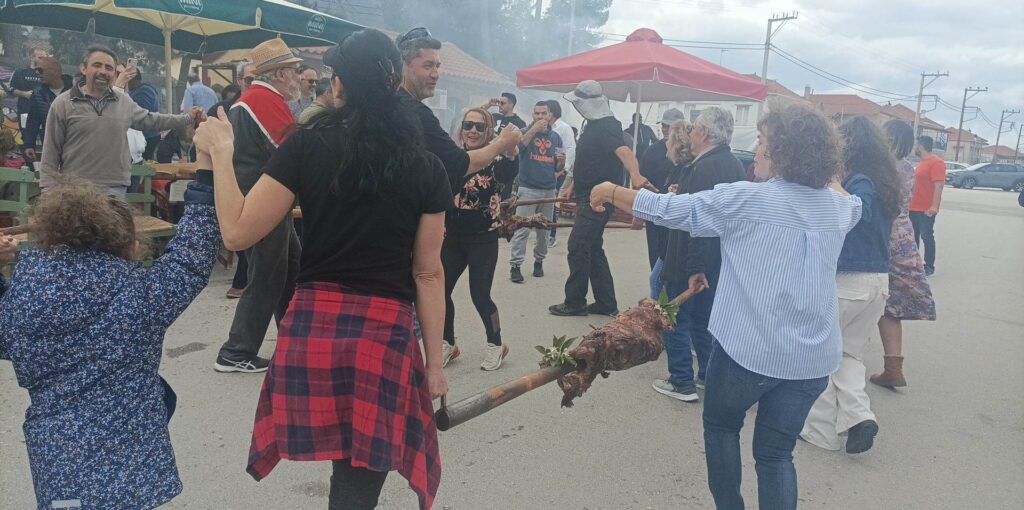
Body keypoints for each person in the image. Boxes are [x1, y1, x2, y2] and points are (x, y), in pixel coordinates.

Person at [193, 28, 449, 510]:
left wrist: (222, 153)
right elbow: (428, 274)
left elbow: (237, 233)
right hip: (384, 333)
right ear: (394, 85)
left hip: (315, 326)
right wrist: (434, 365)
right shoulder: (426, 166)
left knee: (344, 460)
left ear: (340, 85)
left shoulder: (305, 145)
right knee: (360, 469)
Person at [590, 101, 862, 510]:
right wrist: (827, 175)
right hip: (812, 361)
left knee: (721, 428)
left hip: (748, 354)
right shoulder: (839, 208)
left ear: (784, 153)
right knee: (775, 455)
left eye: (763, 142)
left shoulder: (750, 200)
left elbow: (672, 210)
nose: (756, 151)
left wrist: (612, 191)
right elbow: (847, 196)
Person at [0, 176, 221, 509]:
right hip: (131, 469)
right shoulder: (140, 296)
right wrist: (205, 180)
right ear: (127, 243)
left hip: (58, 463)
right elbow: (191, 258)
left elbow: (6, 336)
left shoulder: (22, 301)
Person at [801, 116, 901, 454]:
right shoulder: (886, 180)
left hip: (847, 280)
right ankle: (859, 416)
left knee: (819, 354)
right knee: (848, 354)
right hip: (877, 282)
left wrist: (831, 180)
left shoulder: (859, 181)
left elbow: (858, 210)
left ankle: (820, 431)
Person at [213, 38, 303, 373]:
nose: (297, 76)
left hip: (262, 199)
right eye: (293, 70)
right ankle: (236, 351)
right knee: (268, 276)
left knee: (290, 268)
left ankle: (294, 340)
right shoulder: (263, 99)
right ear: (280, 74)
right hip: (263, 202)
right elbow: (293, 150)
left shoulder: (254, 99)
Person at [652, 107, 747, 403]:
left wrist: (694, 265)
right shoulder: (733, 165)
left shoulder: (703, 168)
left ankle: (681, 380)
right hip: (718, 258)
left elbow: (699, 222)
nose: (690, 133)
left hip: (690, 259)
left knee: (673, 317)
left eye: (694, 128)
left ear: (704, 133)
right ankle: (707, 374)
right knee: (705, 320)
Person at [549, 80, 653, 317]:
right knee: (593, 248)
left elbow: (625, 153)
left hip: (598, 200)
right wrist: (573, 186)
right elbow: (587, 160)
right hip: (586, 194)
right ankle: (606, 302)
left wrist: (636, 176)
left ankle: (574, 301)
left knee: (578, 245)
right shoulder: (592, 125)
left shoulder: (607, 126)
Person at [39, 46, 203, 195]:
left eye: (109, 68)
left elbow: (152, 120)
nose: (103, 71)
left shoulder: (123, 101)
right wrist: (48, 190)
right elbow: (50, 151)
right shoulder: (63, 103)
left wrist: (187, 118)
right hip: (75, 188)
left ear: (114, 74)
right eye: (97, 65)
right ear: (83, 68)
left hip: (114, 188)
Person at [396, 27, 520, 193]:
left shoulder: (394, 103)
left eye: (437, 66)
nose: (435, 74)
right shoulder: (415, 112)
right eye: (427, 66)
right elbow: (458, 164)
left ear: (489, 130)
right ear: (404, 65)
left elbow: (508, 173)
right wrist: (502, 142)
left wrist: (509, 151)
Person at [442, 108, 516, 370]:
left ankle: (496, 344)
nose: (472, 130)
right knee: (440, 291)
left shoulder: (497, 161)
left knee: (480, 296)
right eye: (468, 125)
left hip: (482, 239)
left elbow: (510, 170)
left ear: (489, 132)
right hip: (452, 237)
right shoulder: (454, 158)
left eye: (480, 127)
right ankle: (448, 343)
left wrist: (509, 147)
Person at [870, 120, 936, 388]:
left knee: (864, 296)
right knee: (892, 306)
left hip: (881, 235)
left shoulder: (878, 169)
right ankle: (893, 367)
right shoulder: (909, 168)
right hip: (904, 236)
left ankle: (844, 360)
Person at [510, 101, 563, 283]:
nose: (540, 117)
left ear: (550, 116)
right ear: (533, 116)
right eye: (537, 114)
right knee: (522, 228)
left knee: (544, 230)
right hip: (528, 188)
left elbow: (558, 165)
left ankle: (539, 261)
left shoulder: (556, 137)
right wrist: (533, 129)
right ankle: (516, 265)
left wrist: (561, 162)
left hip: (549, 189)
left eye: (544, 114)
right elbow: (519, 149)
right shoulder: (524, 132)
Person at [638, 108, 685, 271]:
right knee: (656, 257)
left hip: (679, 215)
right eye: (664, 125)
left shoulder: (690, 153)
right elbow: (642, 181)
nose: (665, 129)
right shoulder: (652, 151)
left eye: (669, 126)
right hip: (654, 212)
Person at [20, 56, 72, 162]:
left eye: (40, 70)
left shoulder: (76, 90)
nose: (37, 73)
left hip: (74, 146)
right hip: (49, 147)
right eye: (36, 70)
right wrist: (29, 145)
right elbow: (32, 122)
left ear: (55, 71)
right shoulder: (37, 93)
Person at [909, 135, 945, 276]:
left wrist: (934, 207)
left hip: (926, 209)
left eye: (916, 145)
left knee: (927, 236)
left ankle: (929, 266)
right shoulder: (922, 163)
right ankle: (914, 263)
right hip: (913, 207)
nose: (914, 148)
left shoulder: (936, 163)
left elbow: (939, 185)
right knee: (914, 237)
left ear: (921, 146)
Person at [484, 92, 527, 199]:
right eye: (499, 102)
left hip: (505, 165)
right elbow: (476, 116)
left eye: (502, 103)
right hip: (487, 159)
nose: (499, 105)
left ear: (511, 104)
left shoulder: (519, 123)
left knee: (502, 196)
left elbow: (520, 144)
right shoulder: (494, 117)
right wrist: (488, 105)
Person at [545, 99, 575, 247]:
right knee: (544, 202)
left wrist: (562, 170)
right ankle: (543, 233)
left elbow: (570, 149)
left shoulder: (563, 128)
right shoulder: (543, 127)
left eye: (545, 111)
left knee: (553, 203)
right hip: (544, 171)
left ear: (552, 112)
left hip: (557, 172)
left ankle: (551, 235)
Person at [126, 68, 163, 161]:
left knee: (142, 167)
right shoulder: (135, 90)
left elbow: (139, 114)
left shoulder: (143, 91)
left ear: (132, 78)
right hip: (144, 135)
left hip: (147, 136)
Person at [8, 46, 47, 134]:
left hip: (43, 112)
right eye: (40, 57)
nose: (44, 60)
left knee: (43, 136)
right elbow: (10, 89)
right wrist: (24, 94)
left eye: (45, 58)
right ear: (32, 58)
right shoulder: (20, 72)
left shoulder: (48, 74)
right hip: (25, 110)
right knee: (26, 135)